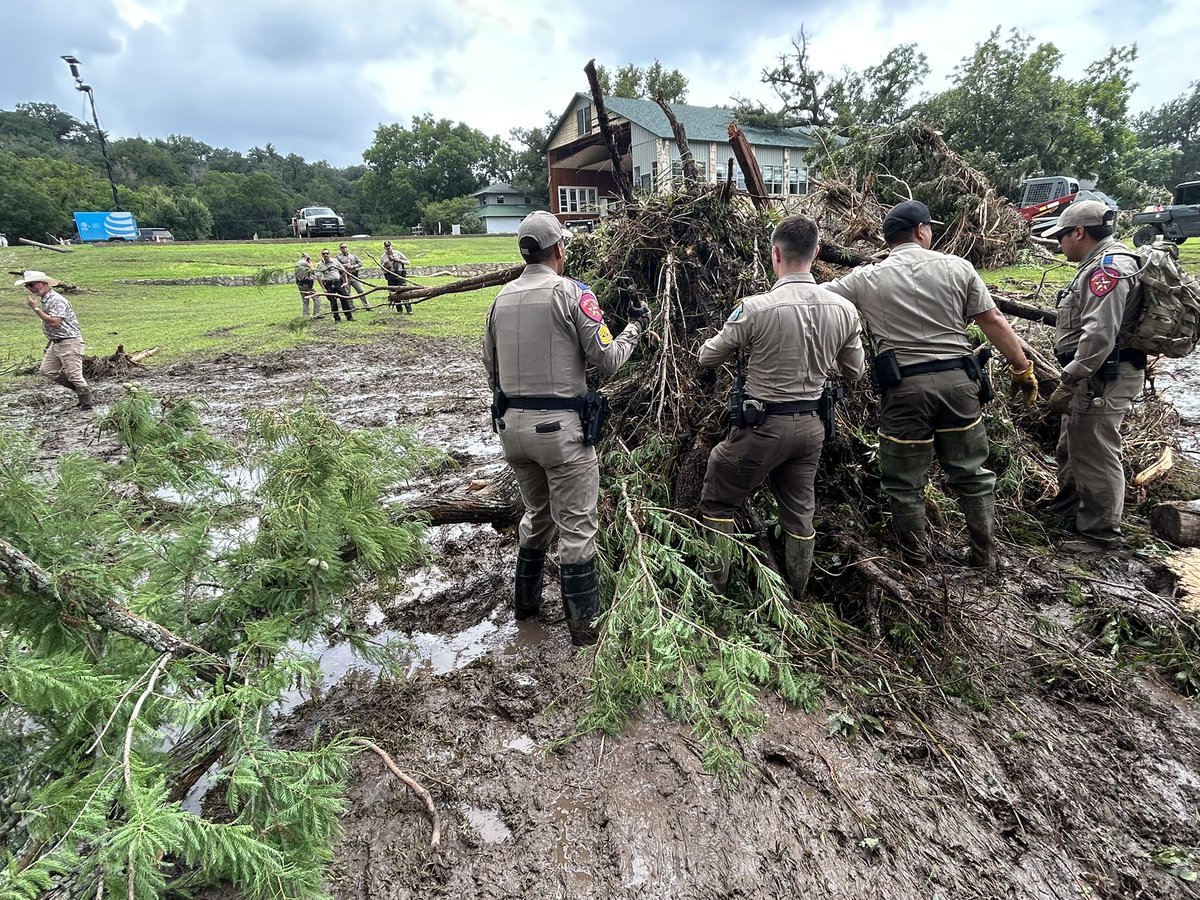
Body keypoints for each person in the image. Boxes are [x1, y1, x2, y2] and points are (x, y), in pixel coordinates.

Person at [824, 200, 1039, 570]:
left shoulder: (865, 277)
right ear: (922, 232)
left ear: (888, 238)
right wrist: (1022, 368)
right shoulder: (958, 267)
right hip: (960, 385)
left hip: (905, 388)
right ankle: (984, 555)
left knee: (904, 481)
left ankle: (916, 563)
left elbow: (818, 298)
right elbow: (994, 320)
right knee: (971, 474)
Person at [482, 211, 649, 646]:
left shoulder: (500, 300)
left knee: (537, 516)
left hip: (511, 431)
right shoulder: (573, 293)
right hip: (561, 434)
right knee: (576, 527)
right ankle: (584, 631)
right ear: (559, 249)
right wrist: (635, 329)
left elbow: (490, 370)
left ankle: (527, 610)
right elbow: (608, 360)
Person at [698, 215, 865, 597]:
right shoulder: (843, 309)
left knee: (719, 498)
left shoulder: (755, 308)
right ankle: (797, 594)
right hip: (811, 428)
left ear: (775, 254)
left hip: (761, 428)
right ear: (816, 253)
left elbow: (709, 356)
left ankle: (715, 589)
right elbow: (855, 372)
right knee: (799, 510)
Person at [1041, 200, 1144, 551]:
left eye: (1062, 236)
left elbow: (1099, 335)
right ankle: (1069, 507)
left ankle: (1101, 532)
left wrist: (1069, 379)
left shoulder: (1108, 268)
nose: (1059, 243)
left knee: (1096, 449)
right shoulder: (1096, 263)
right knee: (1073, 443)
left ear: (1079, 232)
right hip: (1095, 374)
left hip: (1104, 376)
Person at [17, 270, 93, 410]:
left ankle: (86, 402)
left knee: (74, 375)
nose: (32, 288)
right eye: (28, 286)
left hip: (69, 341)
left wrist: (35, 308)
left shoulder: (56, 299)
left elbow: (55, 322)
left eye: (33, 284)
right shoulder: (46, 299)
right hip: (56, 342)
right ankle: (82, 392)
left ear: (44, 283)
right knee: (48, 370)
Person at [314, 249, 354, 322]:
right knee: (333, 301)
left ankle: (349, 317)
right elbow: (318, 277)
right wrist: (323, 288)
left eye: (327, 253)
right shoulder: (320, 264)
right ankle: (337, 319)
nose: (326, 255)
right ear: (322, 255)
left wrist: (346, 282)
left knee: (345, 299)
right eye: (324, 254)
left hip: (338, 283)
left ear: (329, 254)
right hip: (328, 284)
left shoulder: (335, 261)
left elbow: (343, 270)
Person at [381, 240, 412, 314]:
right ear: (384, 248)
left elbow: (408, 262)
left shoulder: (398, 253)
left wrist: (399, 260)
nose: (388, 247)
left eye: (389, 246)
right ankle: (399, 310)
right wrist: (384, 264)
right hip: (390, 275)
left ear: (392, 246)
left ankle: (409, 309)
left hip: (399, 274)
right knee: (394, 293)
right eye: (386, 246)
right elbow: (381, 268)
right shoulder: (383, 256)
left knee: (404, 291)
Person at [336, 242, 370, 309]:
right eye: (342, 247)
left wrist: (353, 266)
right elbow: (336, 266)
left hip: (354, 276)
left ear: (347, 248)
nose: (344, 249)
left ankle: (367, 305)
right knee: (347, 293)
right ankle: (351, 307)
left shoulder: (353, 256)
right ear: (340, 249)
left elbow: (361, 263)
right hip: (345, 277)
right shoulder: (338, 257)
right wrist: (344, 266)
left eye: (345, 247)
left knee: (361, 290)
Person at [294, 252, 318, 317]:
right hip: (307, 284)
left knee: (305, 301)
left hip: (300, 284)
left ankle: (305, 315)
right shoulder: (305, 264)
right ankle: (317, 313)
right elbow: (313, 271)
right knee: (317, 298)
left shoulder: (297, 264)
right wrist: (311, 265)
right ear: (307, 257)